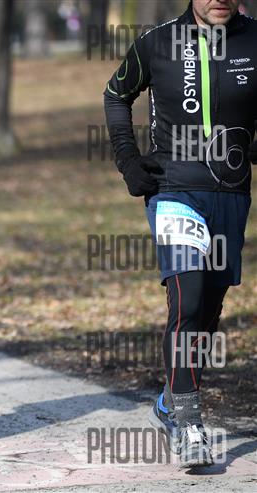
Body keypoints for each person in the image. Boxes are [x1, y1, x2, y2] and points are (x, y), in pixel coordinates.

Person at [104, 0, 256, 468]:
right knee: (187, 299)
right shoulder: (158, 42)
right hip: (173, 189)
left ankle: (170, 399)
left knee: (207, 309)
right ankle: (188, 421)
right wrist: (128, 160)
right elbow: (115, 94)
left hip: (230, 193)